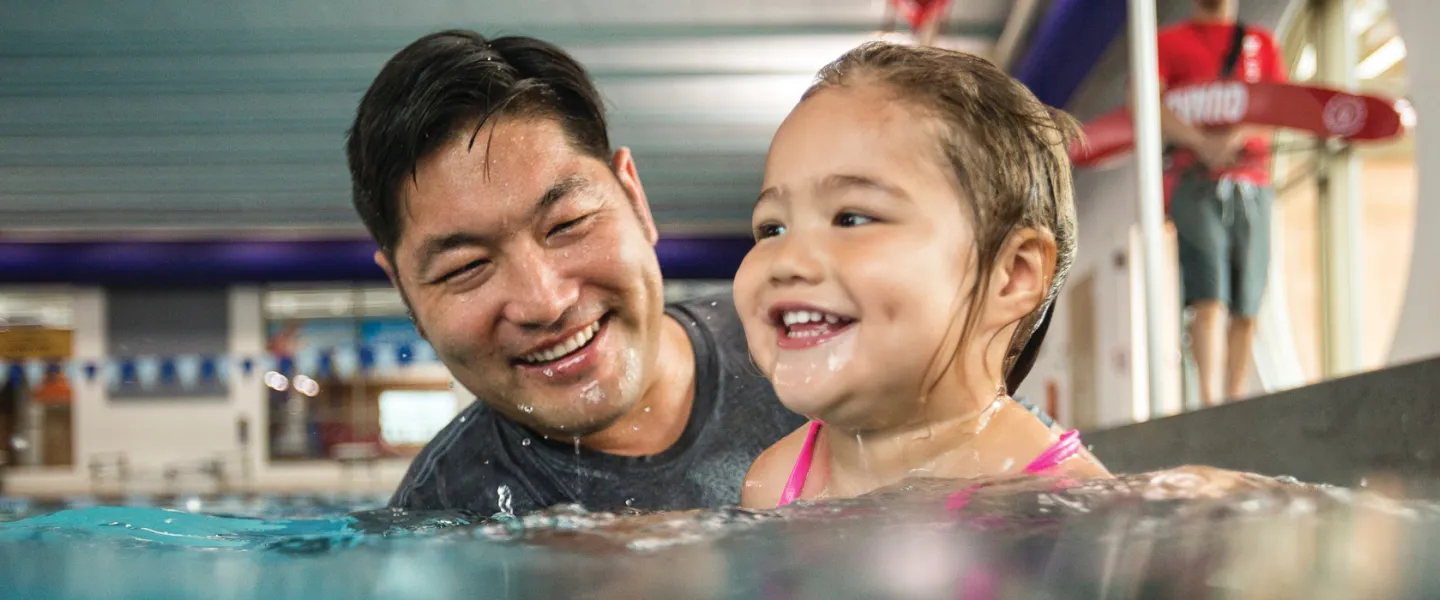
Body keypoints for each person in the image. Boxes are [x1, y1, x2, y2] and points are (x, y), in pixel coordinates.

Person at [344, 30, 807, 516]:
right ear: (404, 291)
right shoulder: (440, 524)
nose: (545, 301)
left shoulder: (800, 336)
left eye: (567, 224)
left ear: (634, 197)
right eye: (467, 267)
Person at [735, 42, 1110, 509]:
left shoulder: (1063, 503)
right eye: (772, 228)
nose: (786, 259)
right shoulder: (773, 483)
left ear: (1011, 275)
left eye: (850, 218)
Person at [1154, 0, 1286, 406]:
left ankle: (1235, 398)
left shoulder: (1260, 44)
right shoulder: (1168, 43)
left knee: (1248, 300)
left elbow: (1280, 104)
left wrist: (1238, 136)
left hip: (1252, 182)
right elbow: (1148, 102)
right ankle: (1210, 401)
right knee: (1208, 293)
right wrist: (1201, 143)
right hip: (1194, 182)